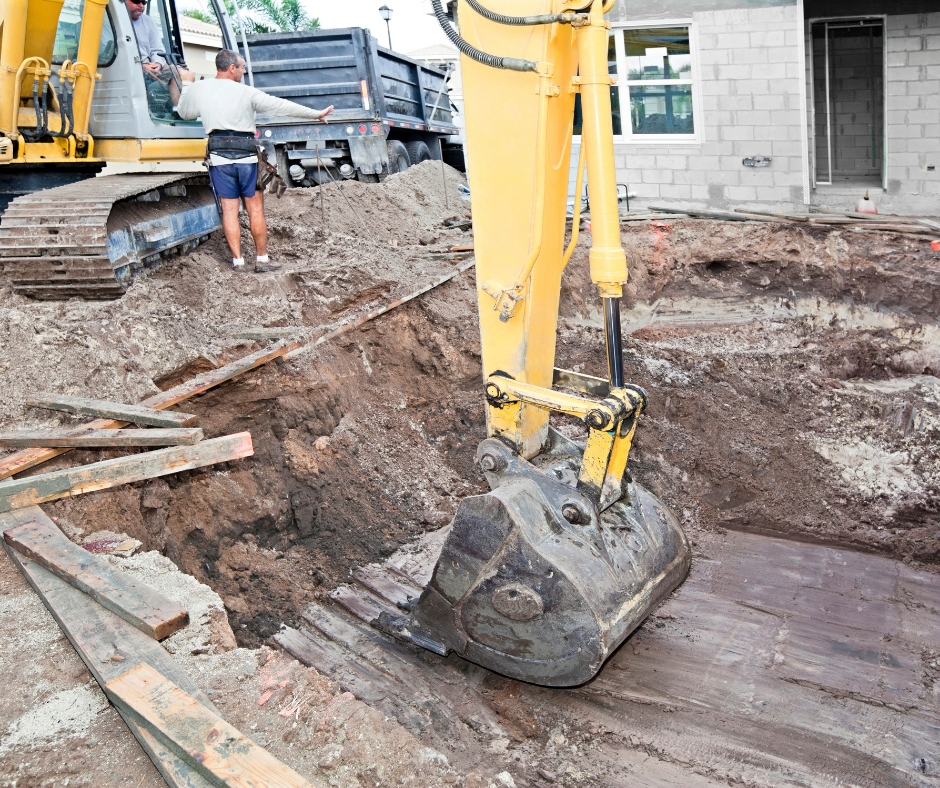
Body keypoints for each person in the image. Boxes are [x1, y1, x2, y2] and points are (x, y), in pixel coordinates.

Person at [175, 50, 334, 273]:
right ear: (231, 68)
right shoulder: (246, 92)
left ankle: (238, 262)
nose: (243, 71)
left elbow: (184, 113)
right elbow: (280, 106)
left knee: (229, 211)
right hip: (246, 156)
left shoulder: (200, 89)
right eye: (241, 67)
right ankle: (262, 260)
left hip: (219, 157)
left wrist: (187, 84)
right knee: (255, 209)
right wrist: (315, 114)